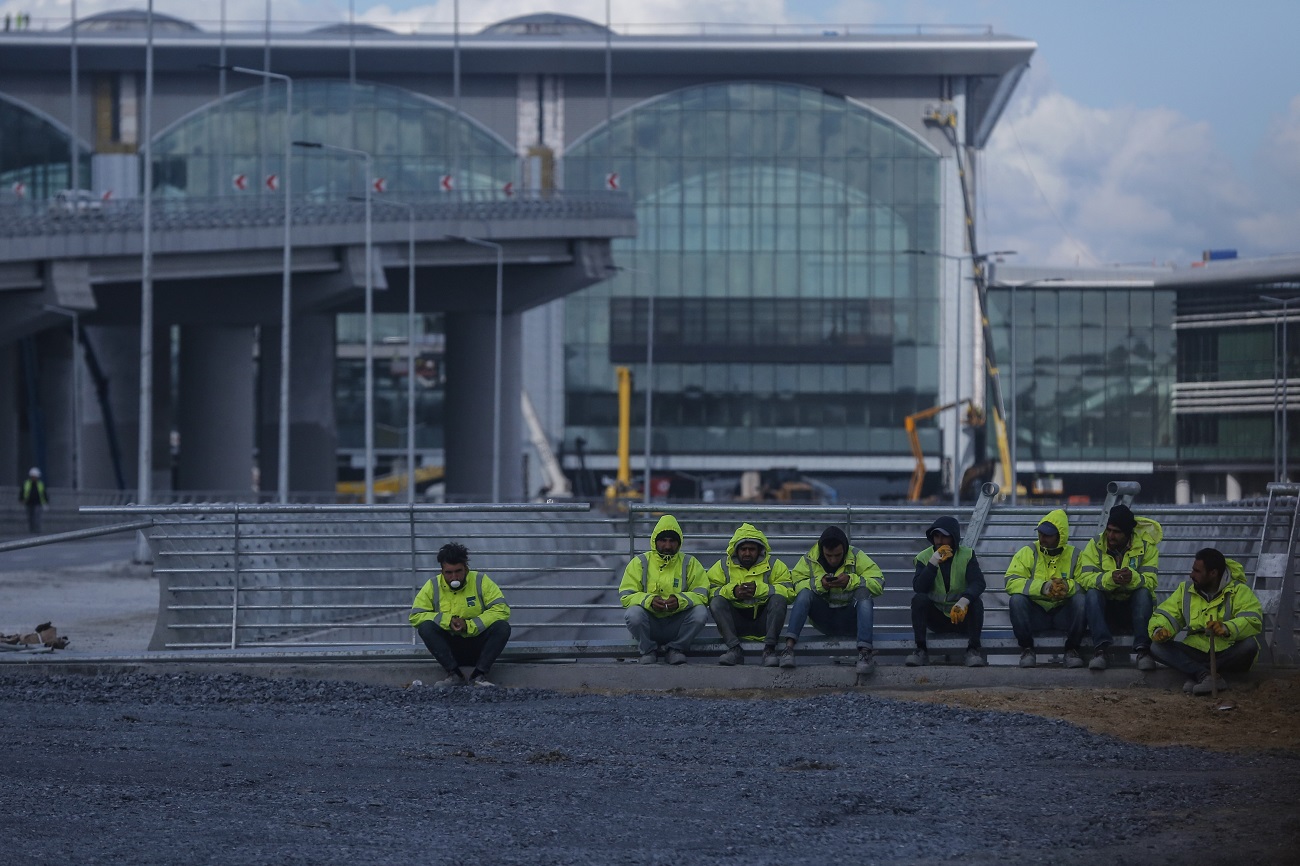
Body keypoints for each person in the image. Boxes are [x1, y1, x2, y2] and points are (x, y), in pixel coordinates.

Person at [1148, 547, 1263, 695]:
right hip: (1195, 649)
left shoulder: (1239, 590)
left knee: (1250, 645)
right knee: (1156, 646)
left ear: (1213, 573)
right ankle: (1206, 675)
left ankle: (1197, 673)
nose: (1191, 575)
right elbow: (1167, 613)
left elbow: (1253, 619)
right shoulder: (1185, 590)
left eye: (1197, 571)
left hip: (1226, 650)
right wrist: (1160, 629)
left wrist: (1228, 628)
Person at [779, 526, 884, 674]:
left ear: (845, 550)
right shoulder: (810, 558)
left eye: (838, 555)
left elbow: (879, 583)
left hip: (850, 618)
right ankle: (788, 649)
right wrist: (819, 584)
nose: (833, 560)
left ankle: (865, 654)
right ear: (822, 550)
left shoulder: (856, 556)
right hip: (824, 618)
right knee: (804, 594)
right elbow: (795, 584)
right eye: (829, 556)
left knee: (863, 594)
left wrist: (851, 581)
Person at [409, 542, 511, 687]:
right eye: (449, 573)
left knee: (502, 627)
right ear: (441, 571)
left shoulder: (480, 581)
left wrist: (469, 625)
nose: (454, 577)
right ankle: (454, 674)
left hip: (478, 645)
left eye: (458, 571)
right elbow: (416, 615)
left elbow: (502, 609)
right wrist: (447, 621)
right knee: (425, 627)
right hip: (451, 648)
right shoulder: (432, 586)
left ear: (466, 568)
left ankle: (479, 675)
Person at [1079, 504, 1161, 671]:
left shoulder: (1147, 547)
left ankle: (1143, 651)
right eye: (1109, 530)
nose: (1110, 535)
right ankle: (1100, 651)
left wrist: (1133, 578)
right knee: (1092, 594)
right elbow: (1083, 578)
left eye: (1116, 532)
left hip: (1132, 609)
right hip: (1106, 608)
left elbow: (1151, 581)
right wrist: (1110, 578)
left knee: (1144, 593)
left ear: (1128, 533)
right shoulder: (1095, 545)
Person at [619, 514, 709, 665]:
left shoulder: (690, 563)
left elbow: (703, 594)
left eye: (672, 541)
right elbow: (626, 596)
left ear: (679, 542)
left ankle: (676, 649)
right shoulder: (639, 563)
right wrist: (649, 601)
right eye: (663, 540)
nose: (667, 546)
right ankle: (648, 650)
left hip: (678, 623)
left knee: (700, 612)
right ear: (655, 541)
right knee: (633, 614)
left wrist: (680, 601)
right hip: (650, 623)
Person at [1005, 509, 1086, 668]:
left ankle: (1072, 649)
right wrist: (1043, 587)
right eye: (1041, 533)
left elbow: (1085, 582)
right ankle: (1027, 649)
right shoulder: (1028, 552)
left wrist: (1065, 587)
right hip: (1037, 615)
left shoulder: (1076, 555)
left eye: (1048, 535)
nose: (1042, 538)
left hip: (1064, 613)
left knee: (1081, 600)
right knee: (1016, 600)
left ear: (1060, 537)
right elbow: (1011, 580)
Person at [705, 522, 794, 667]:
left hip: (764, 622)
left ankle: (769, 650)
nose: (747, 553)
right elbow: (708, 591)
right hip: (736, 623)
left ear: (759, 550)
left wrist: (759, 590)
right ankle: (734, 649)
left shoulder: (775, 565)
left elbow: (790, 592)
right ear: (736, 550)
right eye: (743, 549)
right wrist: (733, 592)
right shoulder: (722, 566)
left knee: (779, 599)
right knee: (716, 602)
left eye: (752, 549)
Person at [906, 515, 987, 668]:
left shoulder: (966, 555)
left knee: (976, 602)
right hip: (937, 618)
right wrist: (932, 564)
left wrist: (964, 601)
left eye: (944, 536)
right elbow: (919, 587)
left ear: (954, 538)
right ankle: (920, 650)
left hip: (961, 617)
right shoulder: (924, 557)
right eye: (936, 536)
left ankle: (973, 650)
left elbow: (978, 582)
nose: (939, 541)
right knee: (919, 600)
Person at [20, 467, 47, 534]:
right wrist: (21, 499)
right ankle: (31, 530)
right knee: (30, 517)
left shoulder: (40, 484)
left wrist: (46, 502)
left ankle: (37, 530)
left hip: (38, 503)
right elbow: (22, 492)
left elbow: (44, 493)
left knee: (37, 517)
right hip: (28, 503)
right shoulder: (26, 483)